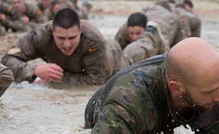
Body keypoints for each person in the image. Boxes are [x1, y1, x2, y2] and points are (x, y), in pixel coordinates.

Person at [84, 38, 219, 134]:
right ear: (176, 88)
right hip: (118, 108)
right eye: (210, 91)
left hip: (192, 106)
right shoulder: (129, 101)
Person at [1, 8, 165, 86]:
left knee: (135, 55)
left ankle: (150, 33)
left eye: (72, 38)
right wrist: (34, 71)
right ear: (52, 32)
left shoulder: (93, 42)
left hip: (111, 61)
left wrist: (50, 81)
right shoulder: (39, 36)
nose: (66, 44)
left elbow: (95, 82)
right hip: (72, 68)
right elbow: (7, 61)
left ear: (80, 31)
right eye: (61, 38)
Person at [115, 0, 188, 49]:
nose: (134, 37)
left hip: (169, 20)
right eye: (131, 33)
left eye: (138, 33)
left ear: (145, 29)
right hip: (153, 11)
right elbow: (116, 49)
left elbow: (165, 52)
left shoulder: (160, 34)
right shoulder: (125, 29)